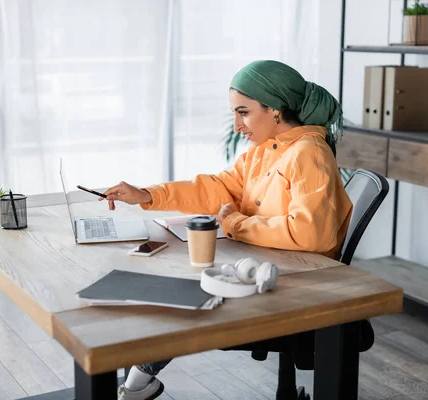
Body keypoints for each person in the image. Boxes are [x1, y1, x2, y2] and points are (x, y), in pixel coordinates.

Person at [101, 60, 353, 400]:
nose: (237, 125)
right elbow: (217, 189)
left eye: (244, 113)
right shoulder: (264, 151)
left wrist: (234, 223)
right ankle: (136, 381)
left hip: (297, 288)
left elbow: (311, 235)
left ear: (275, 110)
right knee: (175, 283)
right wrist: (148, 195)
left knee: (185, 293)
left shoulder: (309, 154)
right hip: (270, 268)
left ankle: (134, 385)